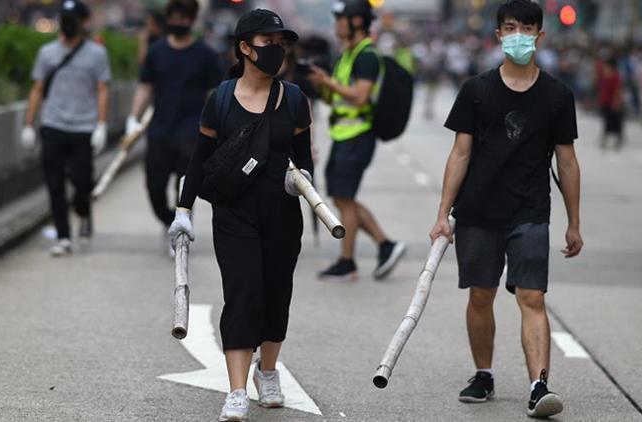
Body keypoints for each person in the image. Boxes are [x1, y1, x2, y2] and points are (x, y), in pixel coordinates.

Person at [429, 0, 583, 418]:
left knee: (532, 296)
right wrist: (443, 213)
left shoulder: (556, 95)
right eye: (510, 27)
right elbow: (459, 154)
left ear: (539, 35)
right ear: (498, 34)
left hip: (530, 211)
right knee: (482, 295)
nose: (518, 34)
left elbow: (566, 161)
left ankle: (539, 386)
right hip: (477, 210)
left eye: (526, 27)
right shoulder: (476, 90)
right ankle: (483, 373)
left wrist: (574, 222)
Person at [167, 9, 313, 421]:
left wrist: (299, 181)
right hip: (234, 214)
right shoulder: (221, 100)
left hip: (283, 214)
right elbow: (199, 161)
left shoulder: (296, 100)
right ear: (245, 48)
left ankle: (267, 371)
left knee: (275, 294)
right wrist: (183, 210)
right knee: (243, 293)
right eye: (268, 42)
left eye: (281, 43)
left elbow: (304, 161)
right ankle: (235, 390)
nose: (277, 50)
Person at [308, 0, 406, 281]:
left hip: (358, 136)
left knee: (345, 199)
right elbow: (336, 97)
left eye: (342, 19)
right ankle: (386, 245)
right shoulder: (347, 54)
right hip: (344, 135)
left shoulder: (366, 56)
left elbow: (360, 96)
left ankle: (347, 260)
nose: (337, 24)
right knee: (341, 197)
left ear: (358, 22)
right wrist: (321, 86)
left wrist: (328, 83)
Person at [127, 0, 223, 255]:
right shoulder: (156, 52)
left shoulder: (207, 55)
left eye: (185, 18)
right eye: (175, 17)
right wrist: (133, 118)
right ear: (168, 17)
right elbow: (146, 87)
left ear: (192, 20)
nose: (179, 22)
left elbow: (214, 93)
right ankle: (170, 219)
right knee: (154, 186)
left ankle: (181, 228)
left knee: (183, 185)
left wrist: (217, 127)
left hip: (192, 131)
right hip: (160, 129)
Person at [20, 0, 111, 257]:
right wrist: (29, 124)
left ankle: (83, 211)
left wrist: (101, 125)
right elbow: (37, 89)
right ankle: (63, 236)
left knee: (82, 183)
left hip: (83, 127)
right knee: (54, 183)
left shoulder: (96, 54)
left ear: (84, 23)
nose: (69, 25)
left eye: (74, 19)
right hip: (53, 125)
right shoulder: (47, 53)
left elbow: (103, 90)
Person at [597, 57, 625, 150]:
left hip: (612, 102)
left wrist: (616, 102)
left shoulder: (615, 76)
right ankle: (605, 138)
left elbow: (618, 90)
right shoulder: (604, 75)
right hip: (605, 102)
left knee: (616, 121)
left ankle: (618, 139)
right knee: (606, 121)